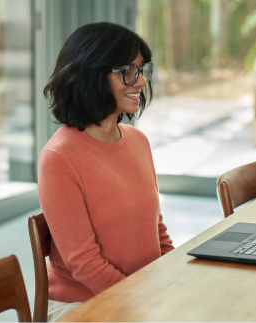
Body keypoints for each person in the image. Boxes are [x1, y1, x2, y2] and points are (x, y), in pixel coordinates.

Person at [38, 22, 174, 322]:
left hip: (141, 294)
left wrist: (173, 278)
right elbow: (84, 264)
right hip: (80, 304)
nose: (140, 82)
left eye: (143, 70)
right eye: (128, 71)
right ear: (91, 75)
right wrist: (145, 301)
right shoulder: (59, 158)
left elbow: (157, 230)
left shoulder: (138, 140)